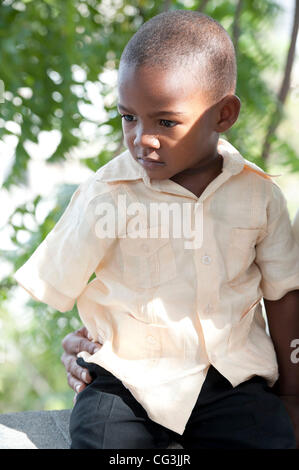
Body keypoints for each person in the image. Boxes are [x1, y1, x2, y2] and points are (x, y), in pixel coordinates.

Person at [14, 10, 299, 449]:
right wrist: (73, 347)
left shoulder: (260, 196)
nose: (141, 138)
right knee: (101, 442)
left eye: (165, 122)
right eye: (128, 117)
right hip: (126, 379)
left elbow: (283, 295)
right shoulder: (107, 193)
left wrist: (293, 392)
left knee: (272, 438)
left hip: (230, 379)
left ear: (224, 114)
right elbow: (58, 281)